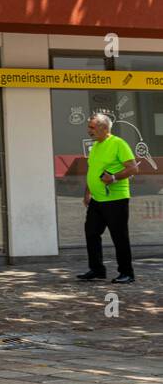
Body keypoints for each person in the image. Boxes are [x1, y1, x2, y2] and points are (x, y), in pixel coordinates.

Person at [78, 113, 139, 284]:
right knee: (91, 233)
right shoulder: (96, 146)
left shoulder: (118, 143)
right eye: (89, 127)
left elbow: (133, 168)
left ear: (104, 128)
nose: (89, 130)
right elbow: (93, 171)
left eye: (92, 127)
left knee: (119, 237)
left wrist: (113, 178)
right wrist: (87, 193)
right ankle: (97, 270)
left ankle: (127, 273)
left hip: (116, 199)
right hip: (97, 200)